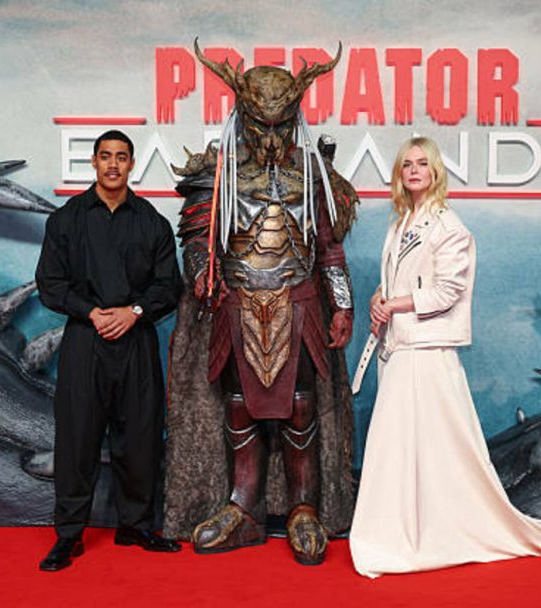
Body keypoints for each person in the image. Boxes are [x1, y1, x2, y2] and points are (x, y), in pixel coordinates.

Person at [162, 41, 358, 566]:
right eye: (260, 124)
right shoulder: (217, 172)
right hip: (238, 304)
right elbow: (197, 238)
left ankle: (304, 510)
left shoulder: (314, 174)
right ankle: (242, 507)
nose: (270, 137)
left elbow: (328, 248)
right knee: (238, 407)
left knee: (301, 408)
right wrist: (202, 274)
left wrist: (342, 306)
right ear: (243, 115)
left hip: (299, 304)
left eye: (280, 124)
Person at [349, 137, 541, 578]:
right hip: (401, 350)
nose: (414, 170)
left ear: (435, 171)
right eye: (406, 164)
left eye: (422, 163)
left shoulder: (448, 225)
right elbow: (399, 278)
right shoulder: (402, 222)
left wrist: (395, 304)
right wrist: (379, 298)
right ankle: (398, 527)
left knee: (435, 444)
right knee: (401, 446)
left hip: (427, 352)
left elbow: (448, 291)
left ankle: (433, 529)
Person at [35, 130, 183, 571]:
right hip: (85, 340)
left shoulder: (151, 222)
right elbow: (50, 283)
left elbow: (168, 287)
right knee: (76, 439)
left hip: (136, 340)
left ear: (131, 164)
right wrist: (90, 312)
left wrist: (134, 311)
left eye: (121, 157)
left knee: (140, 437)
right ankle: (69, 535)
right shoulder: (66, 220)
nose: (113, 164)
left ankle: (135, 526)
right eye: (105, 156)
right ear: (94, 163)